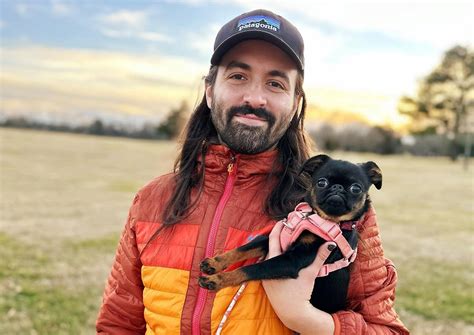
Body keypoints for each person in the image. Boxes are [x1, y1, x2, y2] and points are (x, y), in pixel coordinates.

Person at [96, 9, 409, 335]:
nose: (255, 98)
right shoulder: (151, 200)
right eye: (237, 76)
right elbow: (118, 325)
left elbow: (386, 330)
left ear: (294, 103)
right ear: (209, 89)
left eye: (275, 83)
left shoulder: (334, 217)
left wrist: (305, 319)